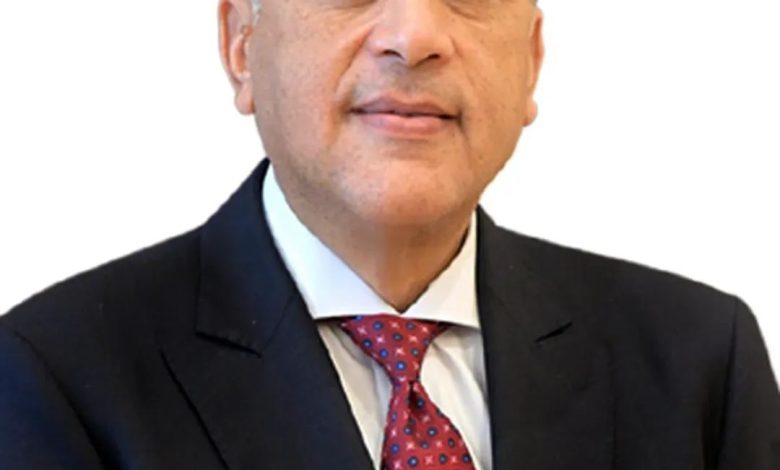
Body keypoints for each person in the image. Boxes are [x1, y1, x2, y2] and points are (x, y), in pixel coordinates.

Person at [1, 0, 778, 468]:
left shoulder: (700, 363)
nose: (414, 36)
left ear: (531, 59)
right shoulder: (56, 378)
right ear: (241, 44)